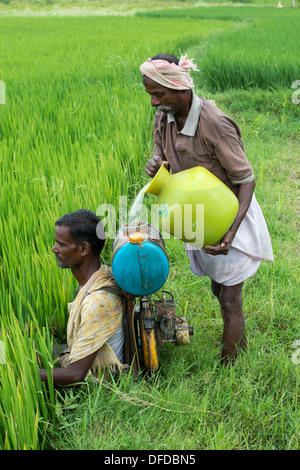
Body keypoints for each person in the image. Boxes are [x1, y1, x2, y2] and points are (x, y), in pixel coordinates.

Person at [139, 53, 274, 364]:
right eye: (149, 94)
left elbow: (246, 180)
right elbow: (165, 160)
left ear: (180, 86)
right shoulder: (164, 117)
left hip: (229, 214)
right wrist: (157, 166)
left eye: (158, 94)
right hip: (199, 215)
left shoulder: (214, 124)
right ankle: (236, 342)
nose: (153, 102)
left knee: (230, 298)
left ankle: (230, 366)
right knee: (217, 288)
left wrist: (231, 231)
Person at [39, 209, 125, 387]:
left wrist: (23, 375)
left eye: (61, 244)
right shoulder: (99, 275)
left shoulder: (97, 302)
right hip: (85, 359)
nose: (54, 249)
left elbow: (76, 374)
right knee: (21, 345)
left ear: (84, 249)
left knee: (16, 359)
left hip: (97, 381)